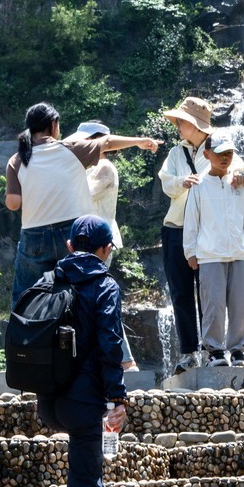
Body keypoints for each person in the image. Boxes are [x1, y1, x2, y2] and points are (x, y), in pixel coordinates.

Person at [36, 215, 127, 487]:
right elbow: (110, 344)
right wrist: (117, 398)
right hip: (85, 403)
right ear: (105, 251)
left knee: (89, 471)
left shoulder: (49, 279)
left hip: (49, 400)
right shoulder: (104, 285)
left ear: (71, 247)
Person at [4, 103, 159, 308]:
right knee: (80, 296)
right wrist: (141, 141)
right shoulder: (72, 150)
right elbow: (107, 142)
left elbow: (13, 204)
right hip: (73, 234)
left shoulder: (16, 160)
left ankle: (26, 337)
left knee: (27, 298)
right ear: (54, 125)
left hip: (34, 236)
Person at [158, 97, 244, 373]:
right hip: (178, 228)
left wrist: (238, 174)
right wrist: (182, 182)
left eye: (181, 122)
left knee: (210, 293)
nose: (177, 126)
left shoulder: (220, 147)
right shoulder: (176, 154)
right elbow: (167, 184)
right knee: (181, 293)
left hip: (213, 236)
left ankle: (213, 349)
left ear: (194, 125)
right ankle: (190, 351)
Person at [183, 134, 244, 367]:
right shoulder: (199, 186)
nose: (225, 157)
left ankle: (238, 351)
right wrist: (190, 251)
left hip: (238, 252)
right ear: (207, 155)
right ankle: (215, 351)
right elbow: (191, 220)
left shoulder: (240, 184)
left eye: (229, 153)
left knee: (240, 305)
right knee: (213, 304)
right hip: (209, 254)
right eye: (220, 153)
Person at [79, 120, 143, 372]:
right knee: (95, 301)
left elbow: (83, 194)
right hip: (91, 241)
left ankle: (126, 360)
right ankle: (121, 360)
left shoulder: (104, 167)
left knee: (98, 299)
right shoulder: (91, 168)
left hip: (100, 242)